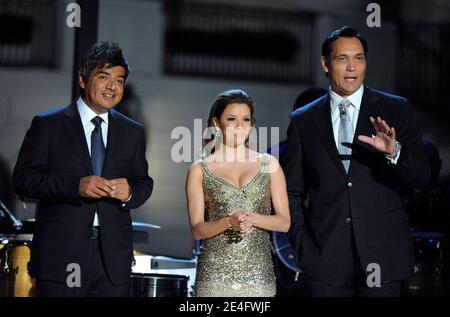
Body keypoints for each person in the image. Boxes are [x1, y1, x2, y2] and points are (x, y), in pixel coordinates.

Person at [283, 26, 430, 297]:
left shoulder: (395, 109)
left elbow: (420, 176)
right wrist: (303, 244)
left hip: (383, 255)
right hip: (324, 259)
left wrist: (393, 151)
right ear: (325, 64)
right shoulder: (303, 120)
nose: (352, 67)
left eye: (359, 58)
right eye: (342, 59)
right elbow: (292, 190)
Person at [13, 41, 153, 297]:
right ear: (82, 79)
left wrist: (130, 192)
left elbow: (144, 182)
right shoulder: (49, 126)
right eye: (103, 77)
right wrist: (75, 186)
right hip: (61, 258)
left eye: (119, 80)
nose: (112, 87)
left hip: (113, 262)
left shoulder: (132, 132)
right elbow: (23, 180)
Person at [186, 89, 290, 297]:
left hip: (258, 276)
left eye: (246, 119)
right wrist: (228, 222)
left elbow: (284, 222)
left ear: (252, 124)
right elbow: (197, 230)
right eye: (232, 119)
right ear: (217, 123)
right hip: (214, 277)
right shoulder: (199, 170)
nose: (240, 127)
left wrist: (251, 218)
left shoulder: (269, 164)